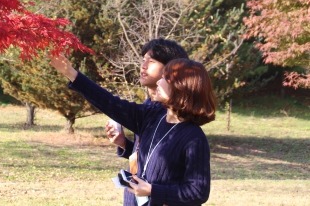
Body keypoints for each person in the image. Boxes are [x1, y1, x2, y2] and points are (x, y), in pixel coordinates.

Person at [50, 56, 217, 206]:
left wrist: (153, 191)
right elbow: (110, 103)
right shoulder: (151, 116)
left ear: (181, 87)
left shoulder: (194, 138)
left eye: (166, 78)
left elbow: (198, 192)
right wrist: (71, 73)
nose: (159, 81)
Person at [104, 39, 188, 205]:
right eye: (143, 60)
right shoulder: (148, 105)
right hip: (134, 198)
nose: (143, 66)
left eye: (151, 61)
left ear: (171, 70)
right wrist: (123, 144)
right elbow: (150, 156)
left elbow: (194, 186)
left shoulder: (172, 115)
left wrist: (72, 74)